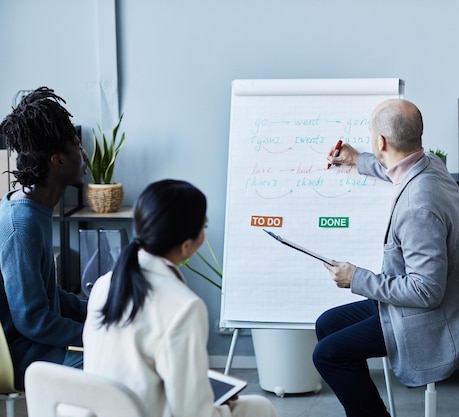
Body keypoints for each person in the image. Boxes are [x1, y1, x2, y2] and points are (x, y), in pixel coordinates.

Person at [313, 98, 459, 417]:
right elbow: (393, 170)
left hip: (431, 319)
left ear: (381, 141)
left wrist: (355, 278)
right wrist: (357, 160)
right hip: (438, 303)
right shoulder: (431, 166)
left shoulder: (417, 209)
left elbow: (426, 291)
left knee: (328, 355)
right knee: (327, 324)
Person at [83, 179, 278, 417]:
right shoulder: (185, 306)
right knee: (260, 407)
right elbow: (193, 413)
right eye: (203, 226)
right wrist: (217, 405)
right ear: (186, 245)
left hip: (103, 410)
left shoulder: (104, 284)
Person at [0, 87, 87, 390]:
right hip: (23, 356)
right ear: (57, 160)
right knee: (118, 369)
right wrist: (94, 335)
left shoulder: (33, 209)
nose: (83, 154)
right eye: (77, 146)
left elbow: (46, 293)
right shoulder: (21, 224)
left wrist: (96, 313)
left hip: (37, 346)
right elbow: (33, 319)